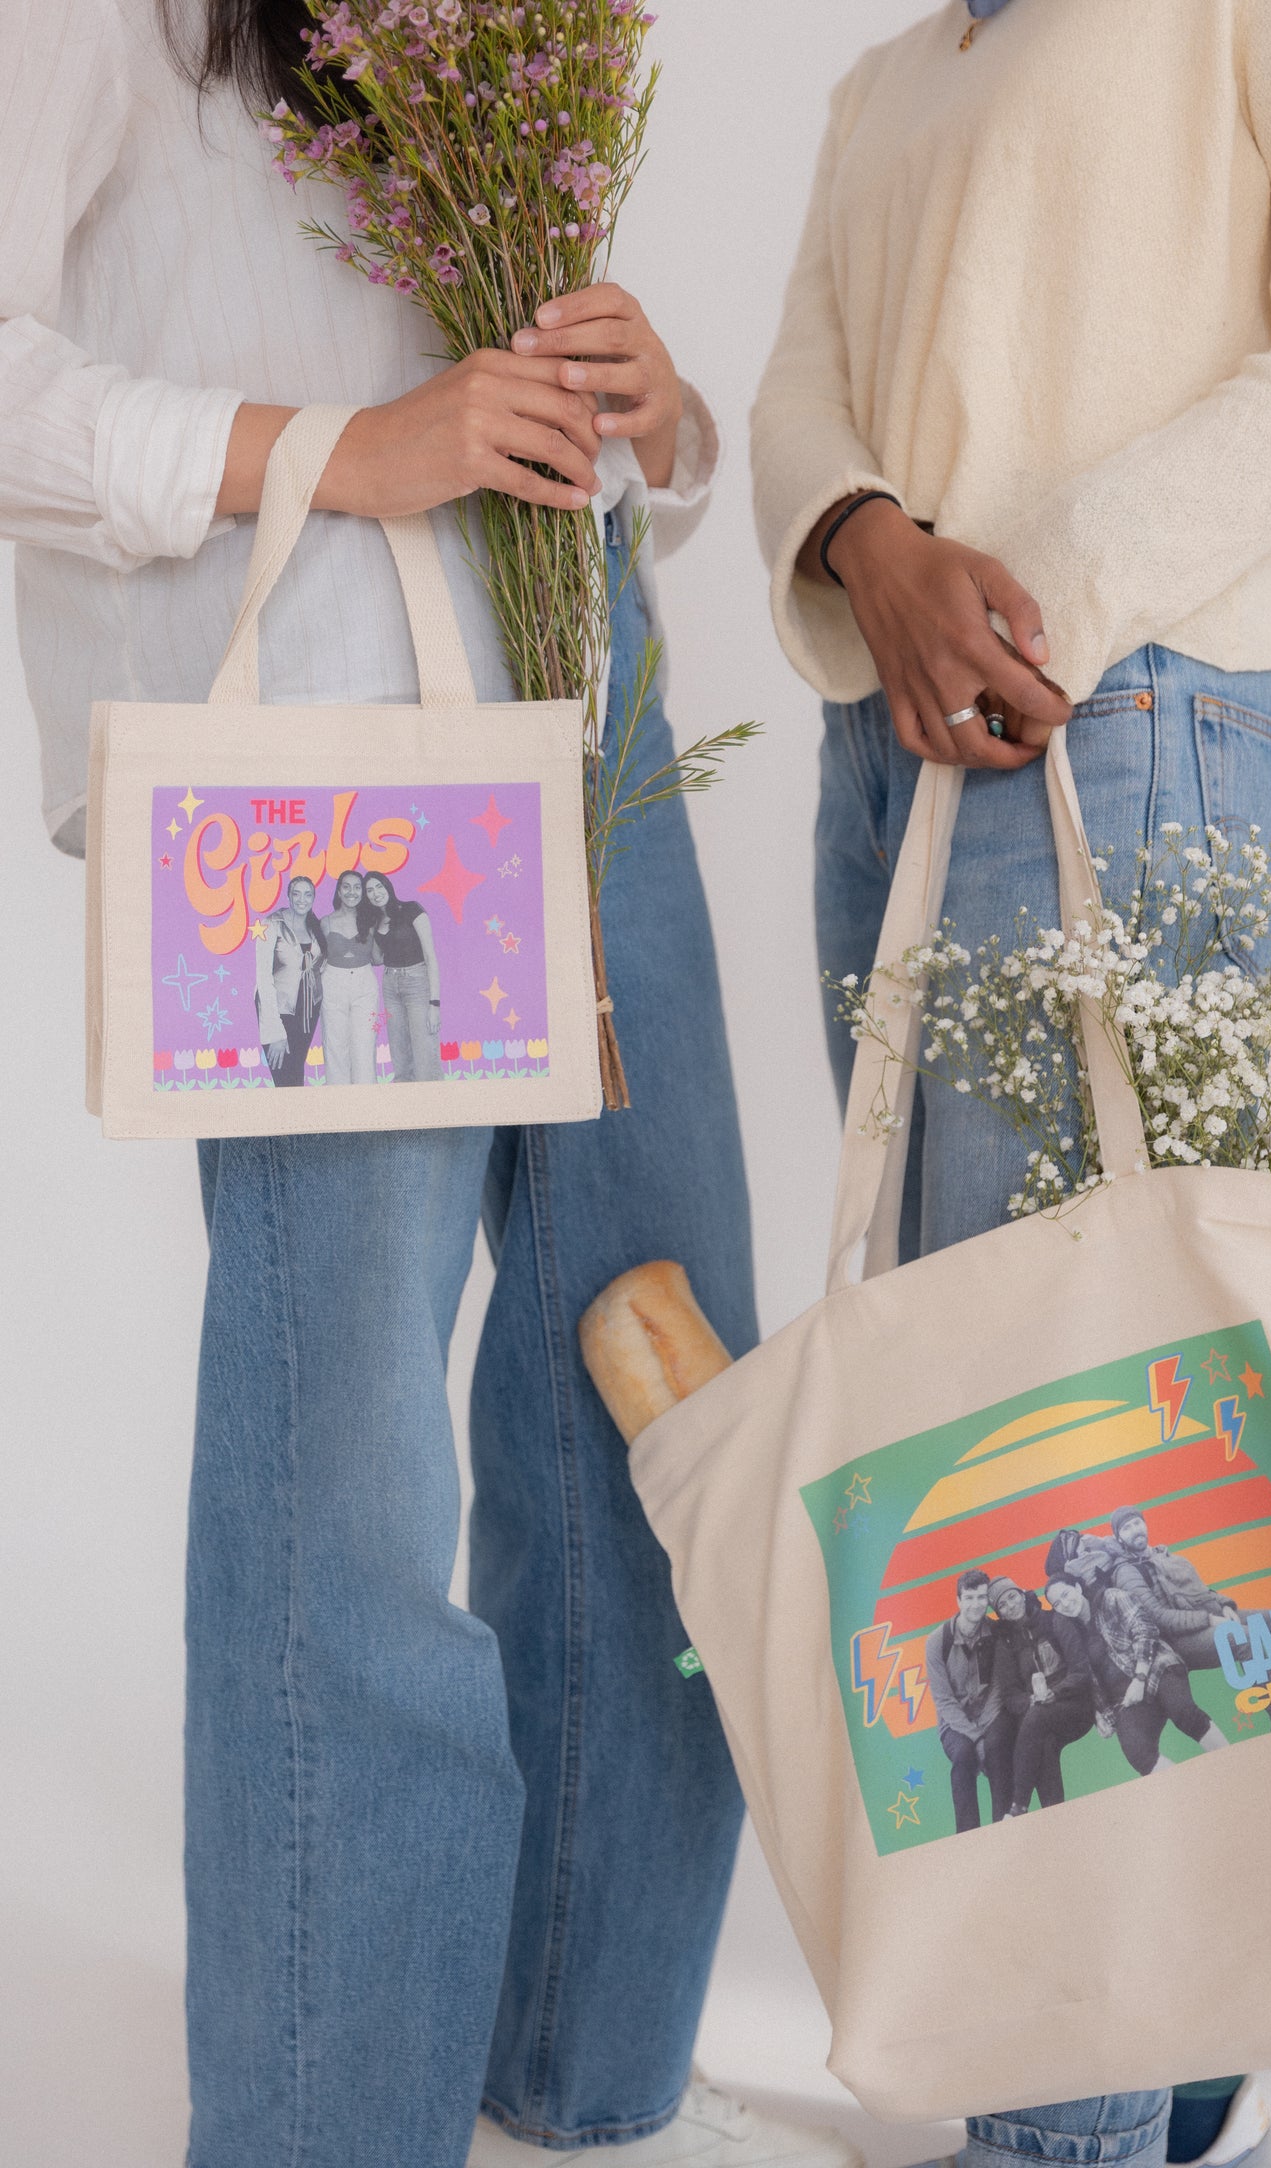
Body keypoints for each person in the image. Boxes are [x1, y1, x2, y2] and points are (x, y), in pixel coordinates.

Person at [0, 7, 861, 2168]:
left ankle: (574, 2079)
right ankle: (327, 2124)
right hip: (318, 757)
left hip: (582, 695)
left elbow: (524, 406)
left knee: (652, 1377)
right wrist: (332, 447)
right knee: (347, 1458)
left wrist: (636, 416)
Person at [753, 0, 1271, 2159]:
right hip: (889, 750)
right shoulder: (886, 76)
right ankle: (1164, 2073)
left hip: (1115, 713)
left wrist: (1037, 590)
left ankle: (1067, 2127)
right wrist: (874, 543)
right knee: (995, 1424)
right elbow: (796, 387)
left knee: (1054, 1470)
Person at [1047, 1555, 1231, 1778]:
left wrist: (1139, 1678)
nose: (1065, 1604)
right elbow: (1088, 1679)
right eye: (1057, 1603)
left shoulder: (1111, 1598)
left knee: (1184, 1713)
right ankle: (1191, 1792)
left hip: (1155, 1667)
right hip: (1125, 1699)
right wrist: (1099, 1714)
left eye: (1065, 1594)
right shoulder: (1073, 1634)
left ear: (1077, 1586)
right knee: (1137, 1753)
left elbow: (1145, 1630)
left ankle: (1231, 1766)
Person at [987, 1575, 1093, 1818]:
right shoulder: (1005, 1644)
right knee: (1043, 1745)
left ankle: (1018, 1805)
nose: (1010, 1605)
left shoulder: (1054, 1621)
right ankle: (1053, 1817)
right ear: (999, 1613)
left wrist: (1055, 1693)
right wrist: (1032, 1700)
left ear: (1023, 1594)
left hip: (1076, 1706)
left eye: (1012, 1596)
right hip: (1041, 1715)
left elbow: (1080, 1670)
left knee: (1036, 1719)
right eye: (1002, 1605)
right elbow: (1011, 1696)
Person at [924, 1569, 1019, 1833]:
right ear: (958, 1600)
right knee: (964, 1756)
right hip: (954, 1724)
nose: (976, 1604)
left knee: (998, 1747)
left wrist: (986, 1734)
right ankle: (968, 1836)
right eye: (969, 1597)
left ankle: (1005, 1826)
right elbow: (943, 1701)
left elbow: (998, 1688)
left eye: (981, 1597)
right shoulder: (936, 1641)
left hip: (991, 1712)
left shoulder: (996, 1633)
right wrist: (975, 1738)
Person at [1107, 1506, 1237, 1674]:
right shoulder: (1126, 1571)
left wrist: (1225, 1605)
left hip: (1203, 1614)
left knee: (1268, 1622)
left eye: (1137, 1523)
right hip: (1178, 1640)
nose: (1135, 1530)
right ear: (1118, 1538)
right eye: (1126, 1528)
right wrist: (1209, 1620)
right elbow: (1158, 1618)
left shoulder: (1161, 1555)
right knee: (1246, 1637)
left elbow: (1198, 1590)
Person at [358, 870, 441, 1083]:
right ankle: (405, 1102)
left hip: (417, 982)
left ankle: (435, 1103)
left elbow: (431, 957)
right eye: (369, 891)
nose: (375, 893)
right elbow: (377, 959)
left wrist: (434, 1004)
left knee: (424, 1049)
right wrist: (367, 928)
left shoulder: (412, 909)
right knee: (399, 1050)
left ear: (387, 886)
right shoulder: (377, 922)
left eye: (379, 887)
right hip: (390, 984)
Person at [255, 872, 325, 1087]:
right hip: (279, 1009)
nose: (302, 899)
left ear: (313, 898)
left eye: (308, 895)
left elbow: (319, 967)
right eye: (296, 894)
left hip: (308, 1010)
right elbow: (263, 978)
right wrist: (274, 1031)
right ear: (288, 896)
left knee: (296, 1074)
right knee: (284, 1079)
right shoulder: (271, 924)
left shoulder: (316, 927)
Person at [319, 867, 381, 1087]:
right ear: (338, 891)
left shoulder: (371, 920)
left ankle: (367, 1107)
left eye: (357, 888)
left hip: (364, 982)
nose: (352, 892)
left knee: (364, 1044)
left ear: (363, 893)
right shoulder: (325, 922)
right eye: (346, 887)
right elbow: (317, 958)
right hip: (333, 982)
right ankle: (339, 1106)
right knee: (335, 1045)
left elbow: (378, 958)